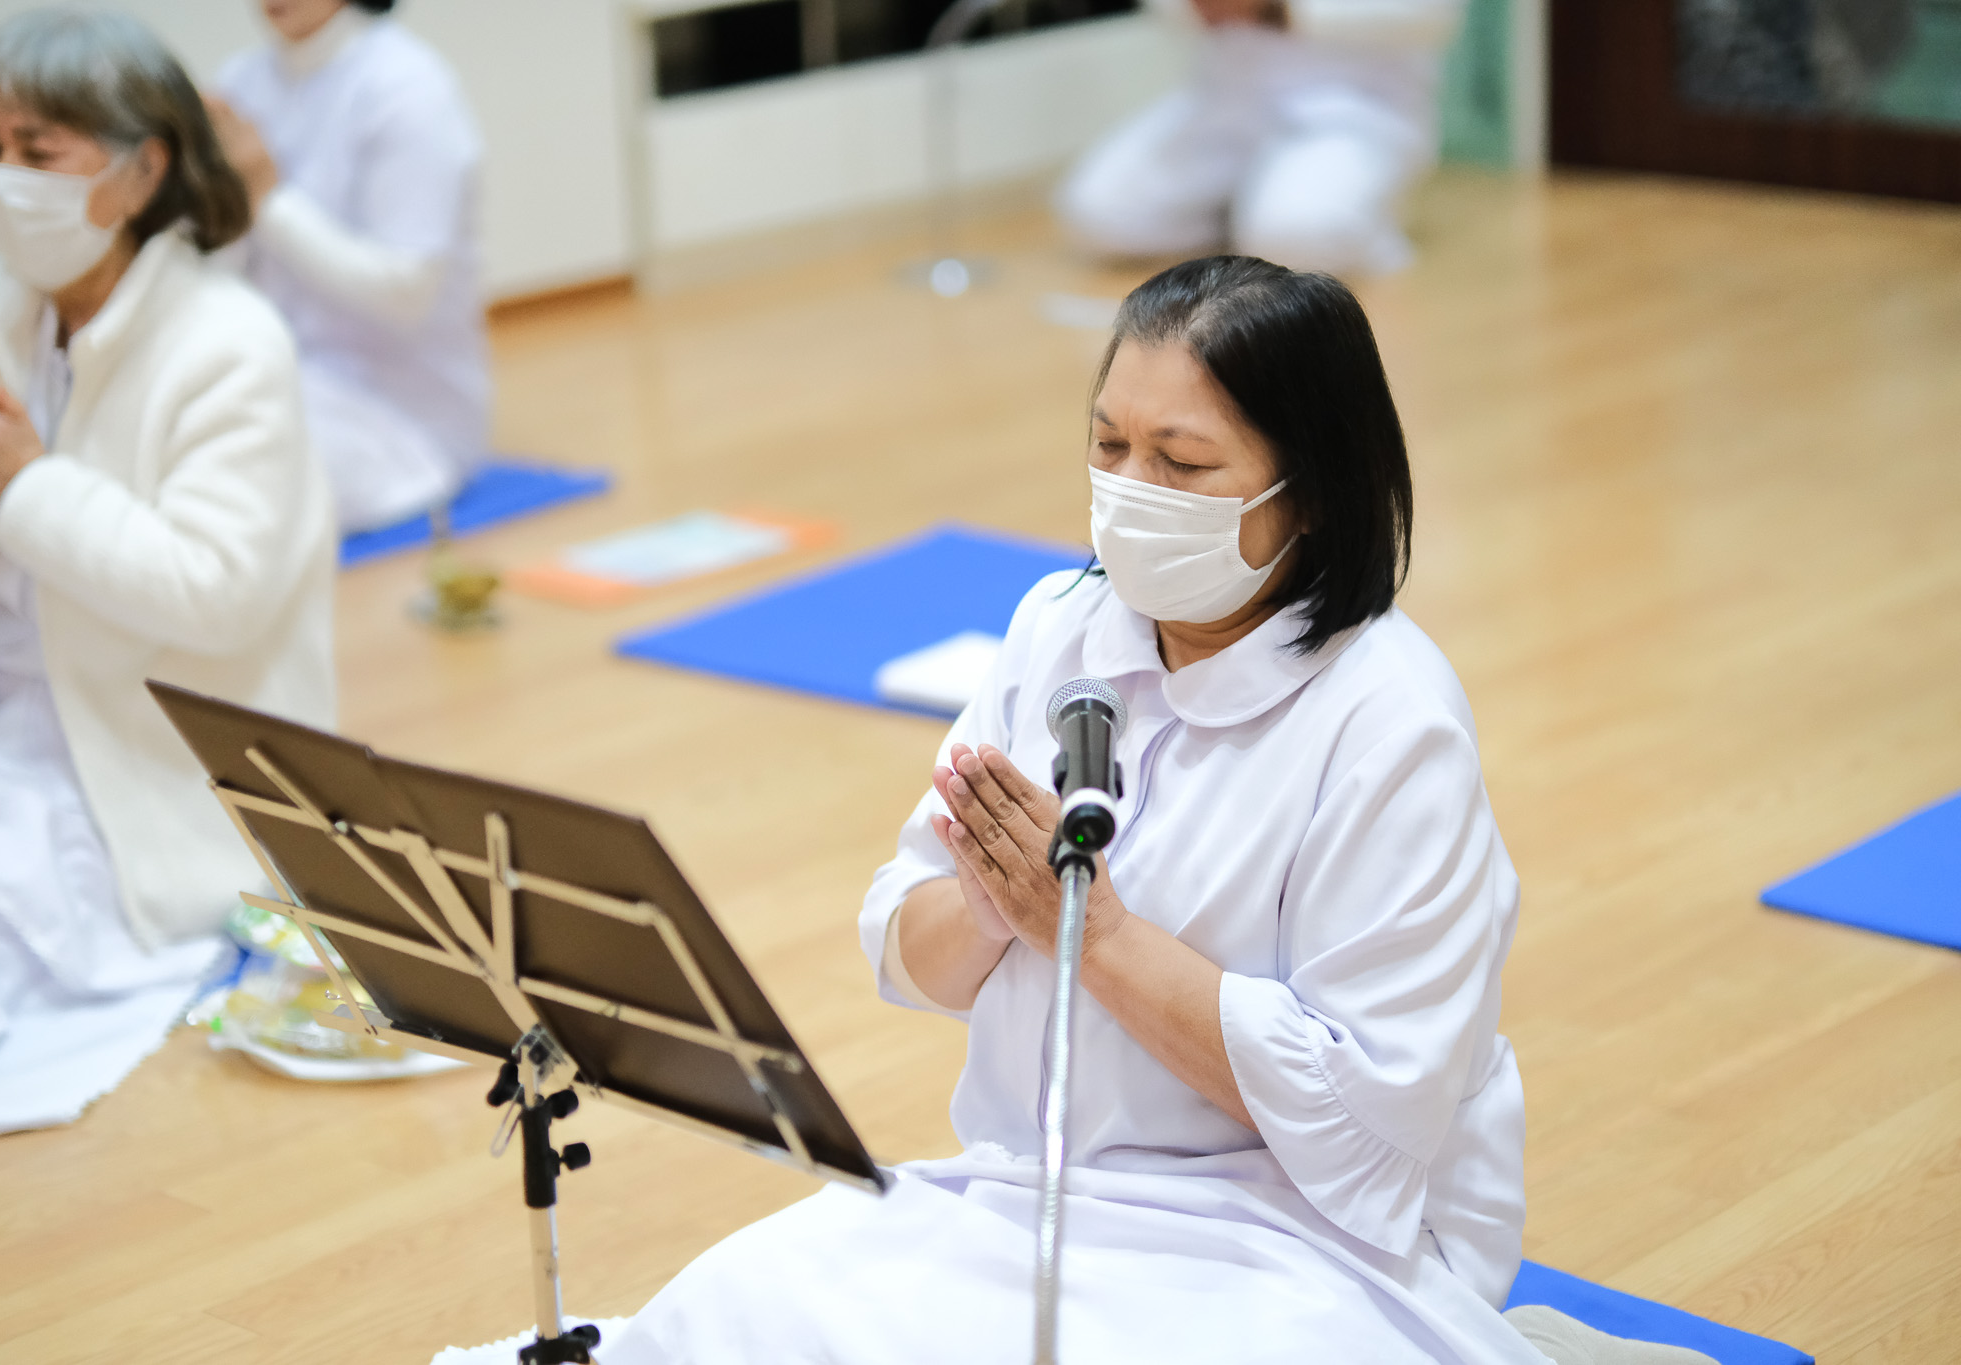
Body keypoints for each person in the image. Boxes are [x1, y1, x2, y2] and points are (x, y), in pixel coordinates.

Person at [590, 258, 1535, 1362]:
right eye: (1108, 445)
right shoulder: (1058, 625)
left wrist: (1096, 933)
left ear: (1312, 488)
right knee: (728, 1307)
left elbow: (1367, 1113)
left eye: (1182, 462)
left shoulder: (1389, 720)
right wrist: (990, 908)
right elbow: (905, 945)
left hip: (1291, 1237)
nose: (1131, 488)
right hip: (1028, 1191)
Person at [0, 10, 335, 1147]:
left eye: (37, 150)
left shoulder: (228, 343)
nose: (1, 177)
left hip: (118, 768)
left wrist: (22, 485)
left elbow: (215, 593)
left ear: (140, 171)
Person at [210, 0, 491, 535]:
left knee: (219, 480)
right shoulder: (240, 82)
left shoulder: (408, 87)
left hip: (403, 421)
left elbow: (406, 294)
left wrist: (265, 196)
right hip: (283, 376)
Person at [1059, 0, 1466, 277]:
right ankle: (1249, 213)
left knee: (1297, 236)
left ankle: (1357, 224)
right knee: (1098, 213)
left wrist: (1272, 7)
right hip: (1227, 101)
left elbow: (1431, 14)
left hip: (1351, 108)